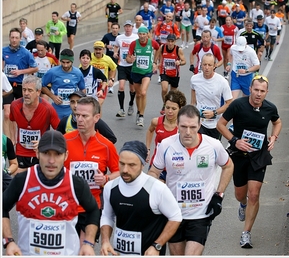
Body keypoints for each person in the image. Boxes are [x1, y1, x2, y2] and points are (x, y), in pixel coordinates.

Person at [148, 105, 234, 255]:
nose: (188, 132)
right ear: (177, 125)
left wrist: (219, 194)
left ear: (200, 125)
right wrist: (158, 187)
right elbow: (153, 172)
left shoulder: (213, 145)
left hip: (200, 214)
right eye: (184, 127)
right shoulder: (166, 145)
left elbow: (228, 166)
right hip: (173, 214)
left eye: (193, 127)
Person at [2, 130, 100, 256]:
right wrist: (9, 241)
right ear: (37, 153)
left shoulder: (76, 183)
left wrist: (88, 243)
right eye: (46, 153)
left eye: (58, 154)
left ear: (66, 155)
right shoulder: (22, 180)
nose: (51, 161)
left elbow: (93, 210)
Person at [217, 75, 282, 248]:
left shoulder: (270, 108)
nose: (258, 94)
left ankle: (246, 233)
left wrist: (274, 136)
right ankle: (243, 204)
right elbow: (220, 124)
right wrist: (234, 141)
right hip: (239, 154)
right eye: (256, 90)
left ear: (267, 92)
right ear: (250, 90)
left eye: (262, 91)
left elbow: (277, 122)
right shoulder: (238, 105)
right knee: (241, 194)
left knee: (254, 193)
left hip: (259, 155)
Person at [100, 140, 182, 255]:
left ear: (143, 164)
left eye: (131, 165)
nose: (125, 170)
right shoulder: (111, 187)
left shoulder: (157, 188)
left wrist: (157, 246)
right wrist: (105, 241)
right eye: (122, 163)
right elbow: (107, 216)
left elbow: (175, 216)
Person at [63, 96, 120, 245]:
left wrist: (106, 178)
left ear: (96, 117)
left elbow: (119, 171)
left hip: (91, 206)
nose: (79, 119)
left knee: (84, 248)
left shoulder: (106, 145)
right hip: (66, 205)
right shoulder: (65, 141)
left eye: (84, 116)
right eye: (77, 115)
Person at [10, 75, 60, 174]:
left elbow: (60, 131)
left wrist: (45, 142)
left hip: (40, 152)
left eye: (30, 90)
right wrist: (12, 138)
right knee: (20, 180)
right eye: (24, 90)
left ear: (38, 92)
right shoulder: (14, 105)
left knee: (39, 180)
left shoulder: (48, 109)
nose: (26, 93)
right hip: (21, 151)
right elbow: (11, 120)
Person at [2, 27, 38, 144]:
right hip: (7, 86)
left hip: (20, 85)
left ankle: (16, 138)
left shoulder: (25, 53)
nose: (14, 40)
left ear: (20, 39)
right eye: (12, 37)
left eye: (16, 38)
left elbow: (35, 67)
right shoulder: (3, 51)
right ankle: (8, 141)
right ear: (9, 38)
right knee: (7, 113)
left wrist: (20, 72)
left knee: (19, 114)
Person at [146, 90, 187, 181]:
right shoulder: (156, 122)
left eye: (174, 109)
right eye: (167, 107)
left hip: (175, 169)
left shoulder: (184, 126)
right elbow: (150, 131)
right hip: (157, 166)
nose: (169, 111)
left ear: (180, 109)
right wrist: (148, 148)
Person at [191, 53, 233, 140]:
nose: (206, 67)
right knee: (199, 149)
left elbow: (229, 103)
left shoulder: (222, 82)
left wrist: (214, 113)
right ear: (201, 65)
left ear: (214, 66)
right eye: (204, 64)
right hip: (200, 123)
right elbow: (193, 99)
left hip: (215, 124)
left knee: (213, 151)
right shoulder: (194, 79)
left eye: (209, 65)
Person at [126, 26, 160, 127]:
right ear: (138, 35)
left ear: (147, 34)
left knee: (143, 92)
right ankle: (138, 111)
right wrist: (130, 59)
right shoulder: (134, 44)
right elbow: (128, 57)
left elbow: (159, 49)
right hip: (136, 71)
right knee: (138, 94)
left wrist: (155, 62)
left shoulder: (152, 43)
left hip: (147, 71)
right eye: (140, 34)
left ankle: (141, 115)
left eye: (143, 34)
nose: (142, 36)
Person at [41, 48, 86, 119]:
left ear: (72, 61)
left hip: (72, 110)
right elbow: (42, 85)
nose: (65, 65)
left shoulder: (78, 73)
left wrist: (81, 105)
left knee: (71, 130)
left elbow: (83, 90)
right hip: (57, 109)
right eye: (63, 62)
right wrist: (53, 97)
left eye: (68, 62)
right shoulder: (52, 72)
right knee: (58, 130)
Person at [154, 34, 186, 114]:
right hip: (164, 72)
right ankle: (165, 104)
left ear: (175, 42)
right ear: (166, 41)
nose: (170, 43)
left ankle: (171, 107)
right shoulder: (163, 47)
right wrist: (155, 63)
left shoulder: (178, 50)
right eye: (169, 41)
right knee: (164, 89)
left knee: (173, 93)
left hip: (175, 74)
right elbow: (156, 55)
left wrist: (180, 62)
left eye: (172, 41)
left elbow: (184, 61)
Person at [113, 20, 138, 118]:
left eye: (129, 26)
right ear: (124, 28)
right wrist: (115, 53)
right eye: (126, 26)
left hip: (132, 66)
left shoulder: (136, 37)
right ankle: (121, 109)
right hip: (122, 65)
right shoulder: (119, 37)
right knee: (121, 87)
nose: (128, 28)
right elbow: (116, 46)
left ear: (132, 27)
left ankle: (131, 104)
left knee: (132, 88)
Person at [91, 41, 118, 106]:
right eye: (96, 49)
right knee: (91, 106)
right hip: (90, 85)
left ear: (103, 49)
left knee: (98, 105)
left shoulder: (107, 59)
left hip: (102, 85)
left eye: (100, 49)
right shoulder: (89, 57)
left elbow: (113, 68)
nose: (98, 51)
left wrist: (112, 79)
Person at [101, 22, 120, 94]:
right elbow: (101, 44)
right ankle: (109, 81)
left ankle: (111, 85)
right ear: (111, 29)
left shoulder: (120, 37)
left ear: (118, 29)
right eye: (113, 28)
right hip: (108, 56)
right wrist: (106, 46)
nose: (115, 30)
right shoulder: (107, 36)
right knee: (109, 71)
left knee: (113, 69)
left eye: (116, 28)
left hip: (116, 56)